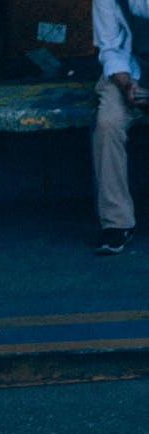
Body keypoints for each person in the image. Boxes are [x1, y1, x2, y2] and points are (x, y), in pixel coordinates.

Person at [92, 0, 149, 254]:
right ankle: (117, 223)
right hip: (131, 73)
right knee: (108, 123)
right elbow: (111, 50)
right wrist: (127, 86)